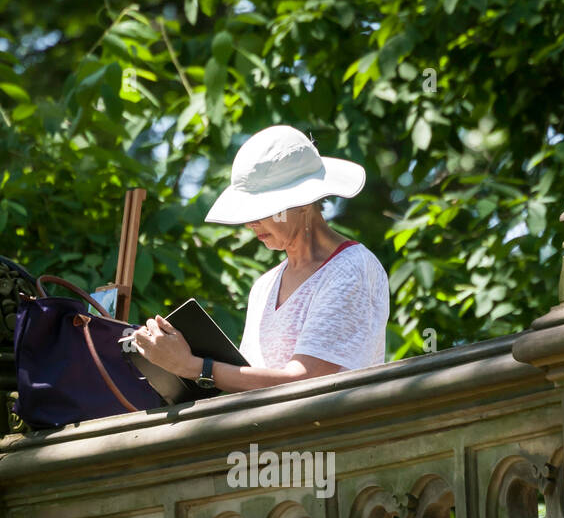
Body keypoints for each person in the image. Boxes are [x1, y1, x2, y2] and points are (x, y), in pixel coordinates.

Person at [128, 125, 389, 392]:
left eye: (261, 210)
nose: (250, 223)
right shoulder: (265, 286)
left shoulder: (351, 268)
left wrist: (192, 367)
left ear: (303, 202)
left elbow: (307, 383)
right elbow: (250, 382)